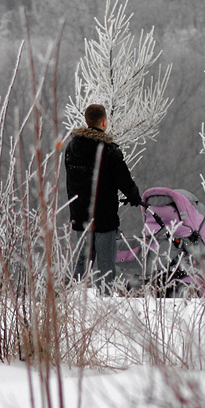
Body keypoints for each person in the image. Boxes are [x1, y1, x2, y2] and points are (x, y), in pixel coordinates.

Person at [63, 103, 142, 289]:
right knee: (106, 268)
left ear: (86, 120)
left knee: (82, 264)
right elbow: (123, 180)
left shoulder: (71, 148)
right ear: (104, 122)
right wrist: (134, 196)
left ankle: (68, 300)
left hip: (79, 216)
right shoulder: (108, 150)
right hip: (104, 219)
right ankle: (105, 304)